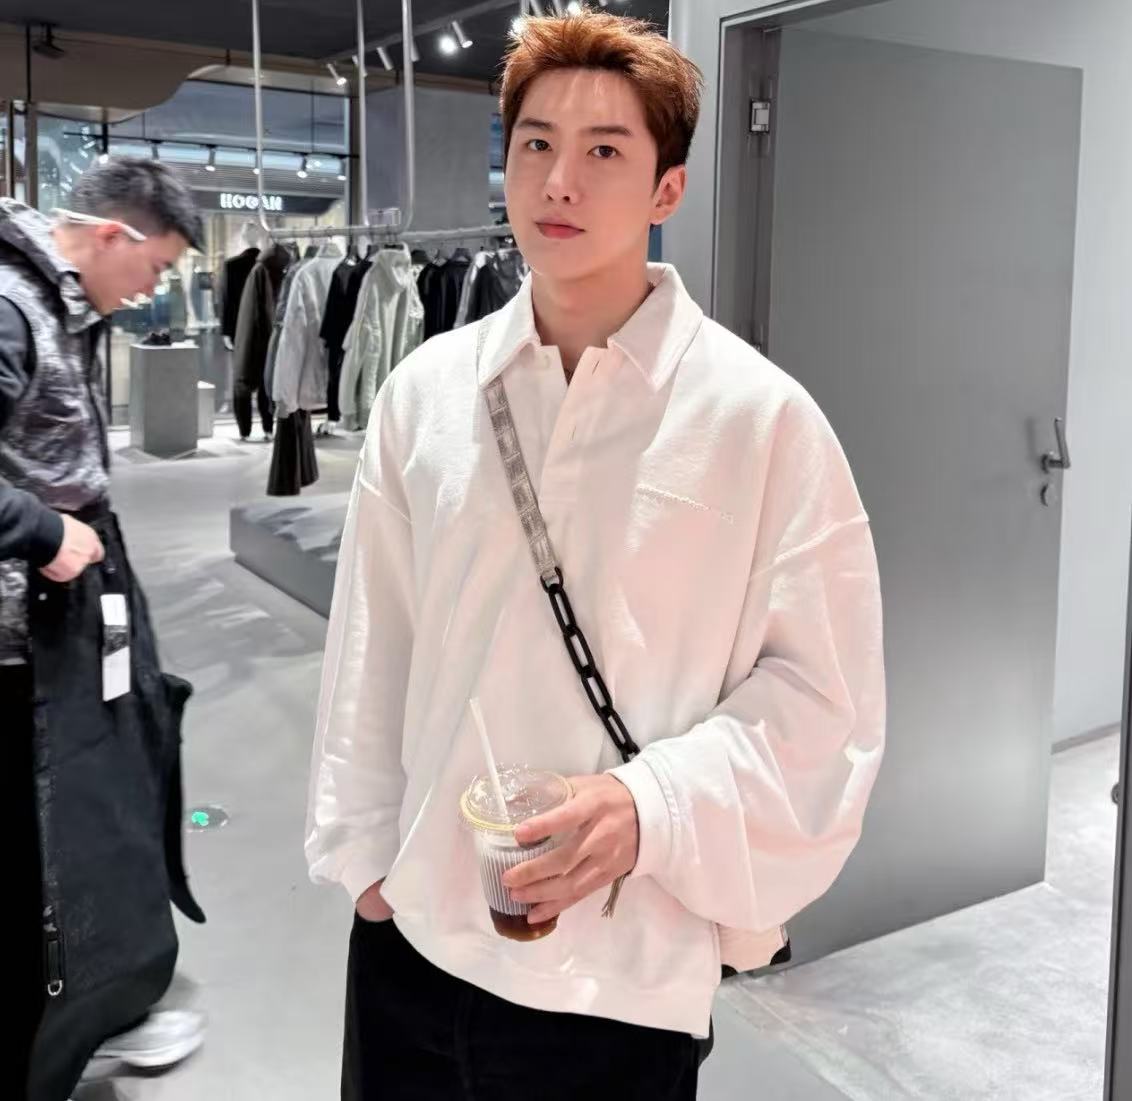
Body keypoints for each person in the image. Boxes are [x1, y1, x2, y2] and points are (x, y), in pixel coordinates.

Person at [307, 11, 886, 1100]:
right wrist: (367, 864)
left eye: (605, 150)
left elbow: (827, 699)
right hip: (414, 941)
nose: (559, 181)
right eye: (535, 143)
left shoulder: (759, 420)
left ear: (668, 189)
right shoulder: (426, 393)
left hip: (621, 981)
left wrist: (648, 805)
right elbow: (374, 640)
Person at [2, 158, 207, 1101]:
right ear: (114, 235)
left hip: (71, 606)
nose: (153, 289)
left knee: (109, 792)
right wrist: (45, 533)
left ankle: (99, 1007)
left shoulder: (64, 304)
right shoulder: (13, 306)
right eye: (155, 266)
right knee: (54, 831)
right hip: (23, 630)